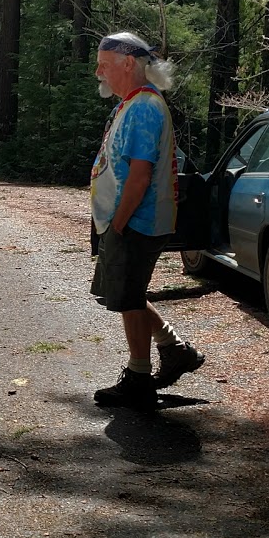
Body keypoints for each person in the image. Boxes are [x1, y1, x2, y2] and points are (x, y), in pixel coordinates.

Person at [90, 31, 205, 410]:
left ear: (128, 64)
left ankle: (139, 379)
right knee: (129, 293)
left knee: (129, 297)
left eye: (104, 65)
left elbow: (140, 175)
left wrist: (119, 224)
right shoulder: (134, 103)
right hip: (126, 222)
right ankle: (174, 349)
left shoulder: (143, 107)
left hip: (135, 222)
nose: (98, 72)